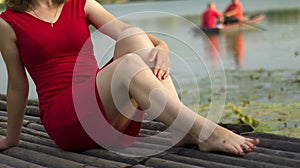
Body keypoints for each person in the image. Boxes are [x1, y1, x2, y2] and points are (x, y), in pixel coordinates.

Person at [0, 0, 259, 155]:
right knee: (129, 64)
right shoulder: (8, 23)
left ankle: (180, 128)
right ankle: (206, 132)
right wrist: (12, 138)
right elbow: (17, 85)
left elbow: (128, 32)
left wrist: (162, 47)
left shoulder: (81, 3)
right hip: (66, 119)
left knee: (133, 38)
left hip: (106, 112)